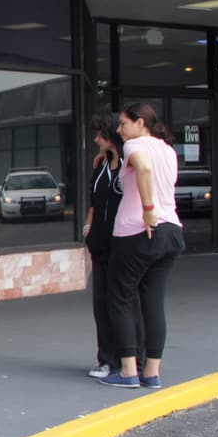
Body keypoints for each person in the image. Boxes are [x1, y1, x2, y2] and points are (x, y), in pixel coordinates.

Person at [101, 102, 185, 389]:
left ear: (140, 123)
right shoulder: (168, 150)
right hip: (171, 230)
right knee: (153, 302)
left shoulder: (134, 146)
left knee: (120, 298)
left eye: (124, 124)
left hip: (137, 231)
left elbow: (144, 169)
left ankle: (127, 371)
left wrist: (148, 209)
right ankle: (152, 371)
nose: (120, 130)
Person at [84, 115, 142, 379]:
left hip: (123, 241)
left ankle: (132, 358)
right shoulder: (101, 165)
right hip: (100, 243)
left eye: (99, 134)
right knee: (101, 303)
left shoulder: (130, 165)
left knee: (126, 301)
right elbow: (94, 202)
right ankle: (106, 358)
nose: (96, 139)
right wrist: (88, 229)